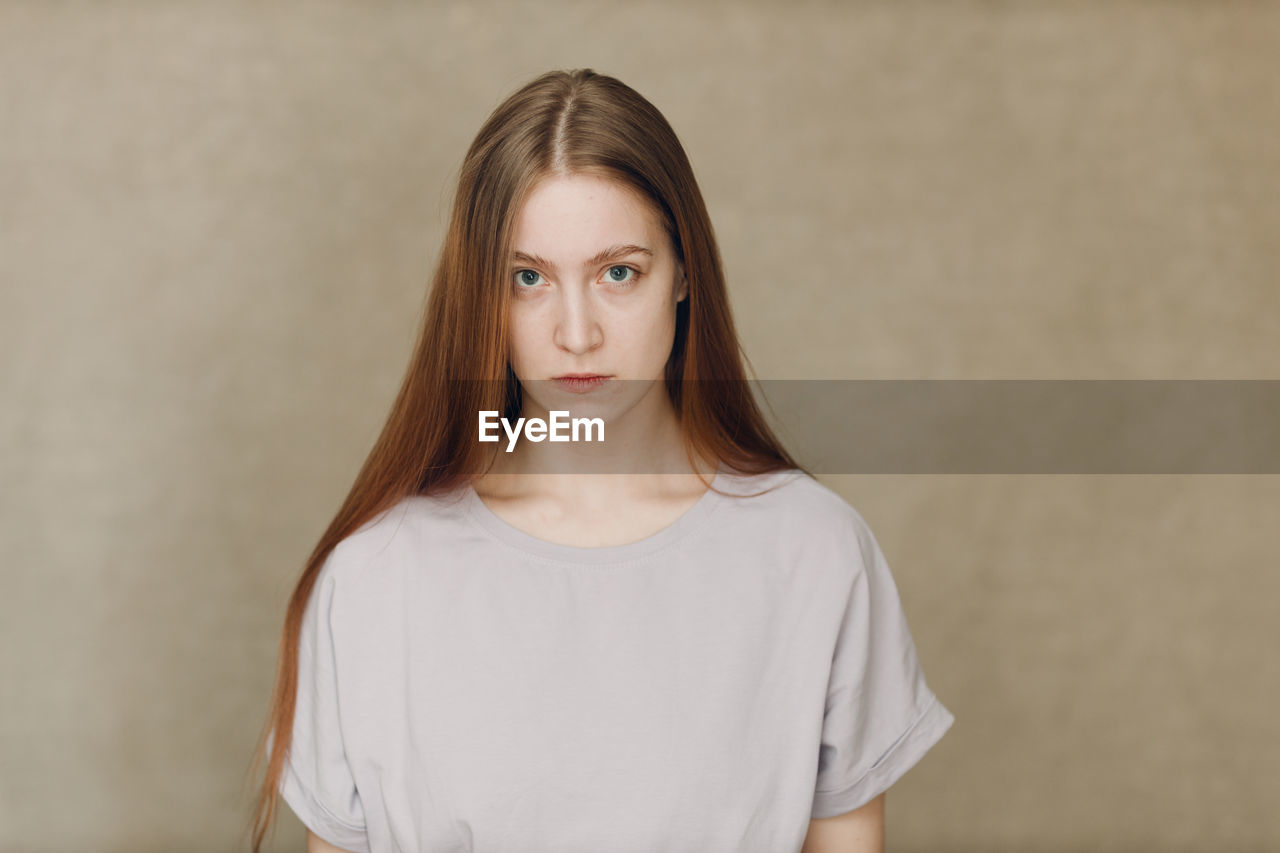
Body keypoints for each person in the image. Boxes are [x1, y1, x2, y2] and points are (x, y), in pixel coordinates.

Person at [246, 68, 955, 853]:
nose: (575, 333)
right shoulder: (375, 576)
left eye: (619, 272)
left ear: (684, 274)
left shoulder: (816, 553)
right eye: (528, 278)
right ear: (481, 294)